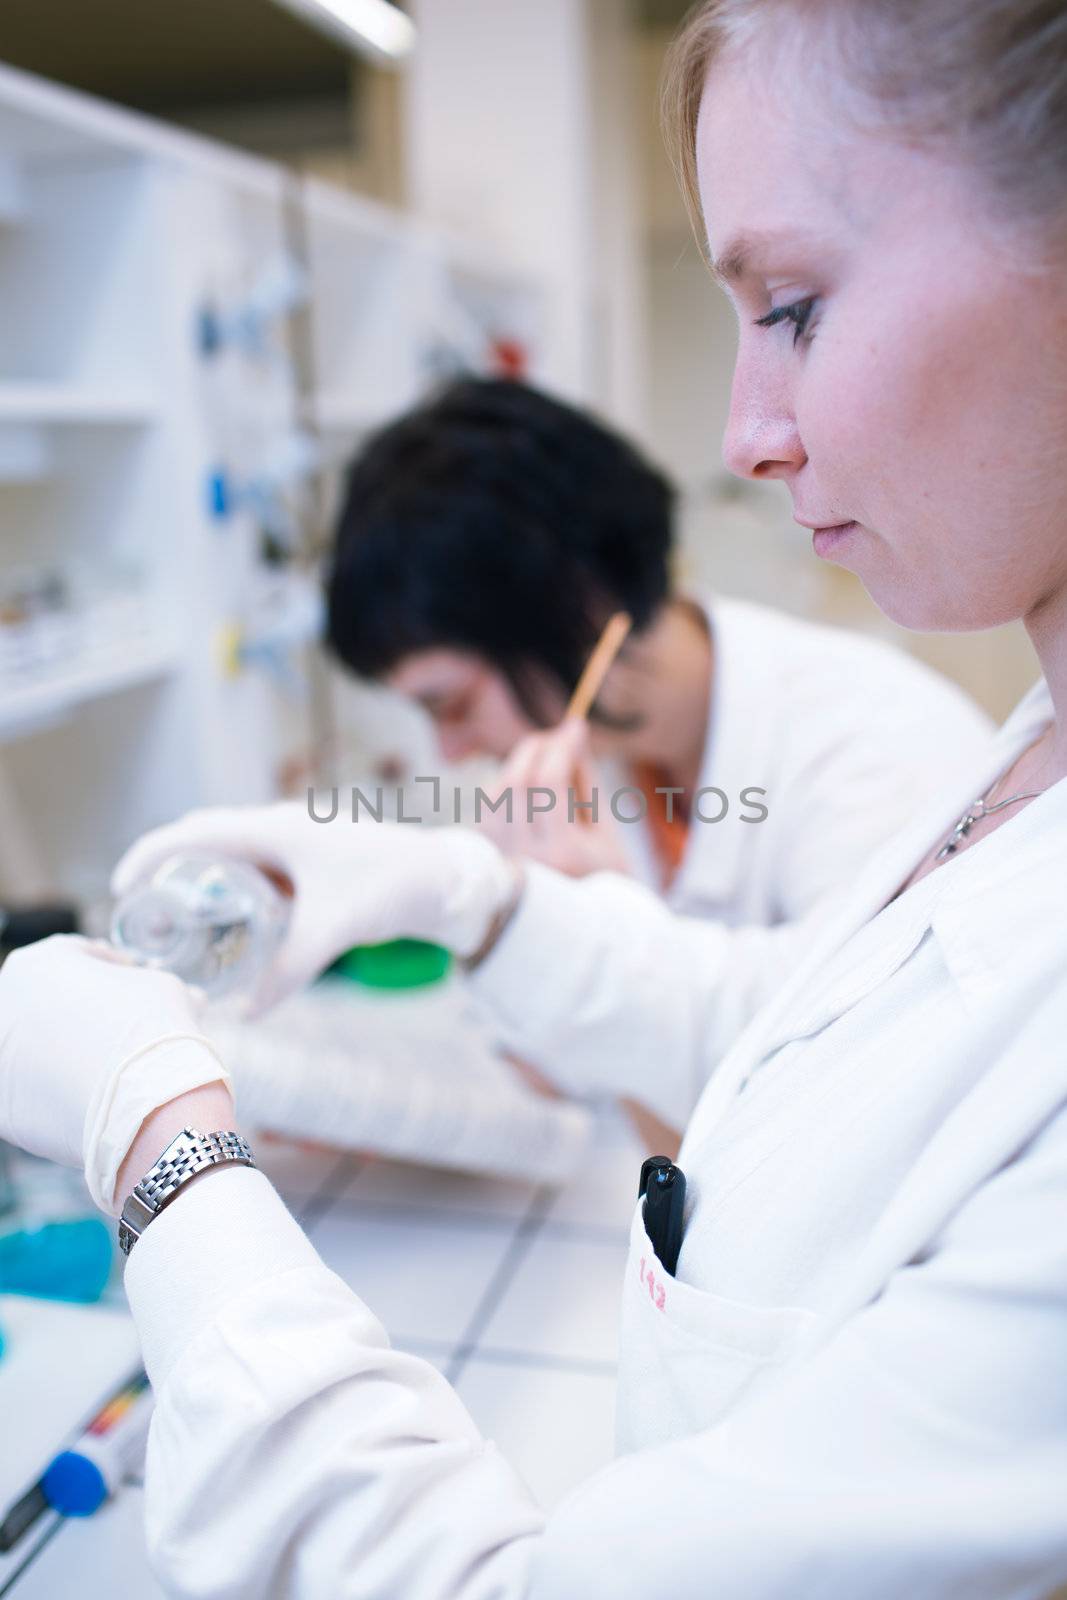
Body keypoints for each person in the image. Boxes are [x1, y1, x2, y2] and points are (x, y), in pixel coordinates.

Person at [2, 1, 1067, 1594]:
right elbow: (796, 1055)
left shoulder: (870, 745)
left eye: (788, 306)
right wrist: (474, 901)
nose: (741, 437)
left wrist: (156, 1139)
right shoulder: (1020, 763)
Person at [329, 377, 990, 1154]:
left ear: (575, 608)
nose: (449, 750)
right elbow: (546, 1062)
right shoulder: (598, 757)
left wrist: (591, 933)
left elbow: (834, 1086)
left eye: (452, 703)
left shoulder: (877, 745)